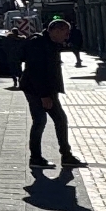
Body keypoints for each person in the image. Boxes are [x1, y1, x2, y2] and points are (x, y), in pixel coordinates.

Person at [21, 18, 83, 169]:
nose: (67, 37)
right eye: (65, 33)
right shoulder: (39, 44)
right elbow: (37, 72)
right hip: (37, 90)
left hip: (47, 90)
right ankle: (36, 158)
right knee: (40, 121)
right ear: (56, 31)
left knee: (59, 120)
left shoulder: (51, 44)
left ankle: (65, 155)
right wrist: (44, 96)